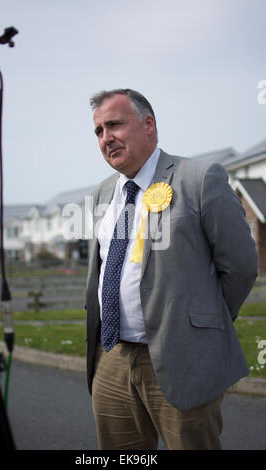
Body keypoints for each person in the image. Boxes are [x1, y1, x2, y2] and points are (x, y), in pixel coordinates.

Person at [85, 88, 258, 450]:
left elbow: (240, 266)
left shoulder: (199, 178)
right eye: (99, 131)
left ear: (149, 125)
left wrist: (203, 324)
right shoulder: (103, 193)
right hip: (111, 357)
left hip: (181, 357)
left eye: (115, 124)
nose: (106, 138)